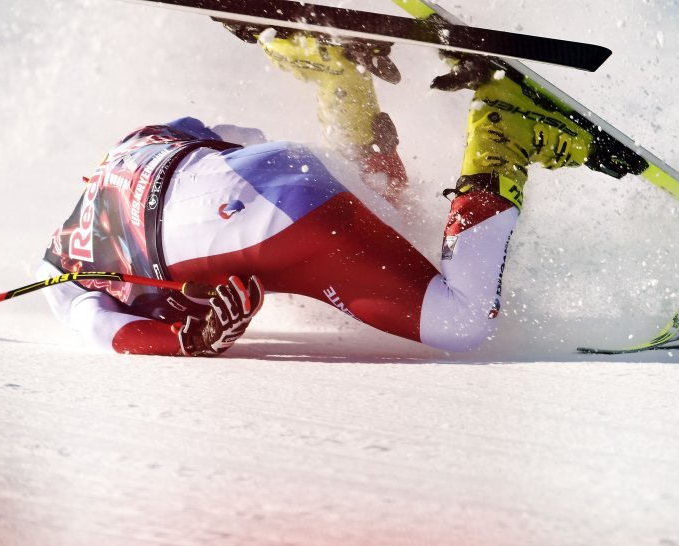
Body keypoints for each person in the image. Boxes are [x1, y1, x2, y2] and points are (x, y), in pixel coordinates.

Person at [37, 28, 594, 357]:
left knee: (464, 323)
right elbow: (246, 141)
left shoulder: (64, 271)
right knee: (389, 204)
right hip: (278, 169)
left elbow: (103, 329)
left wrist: (190, 340)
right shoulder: (123, 150)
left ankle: (504, 135)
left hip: (266, 229)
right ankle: (338, 80)